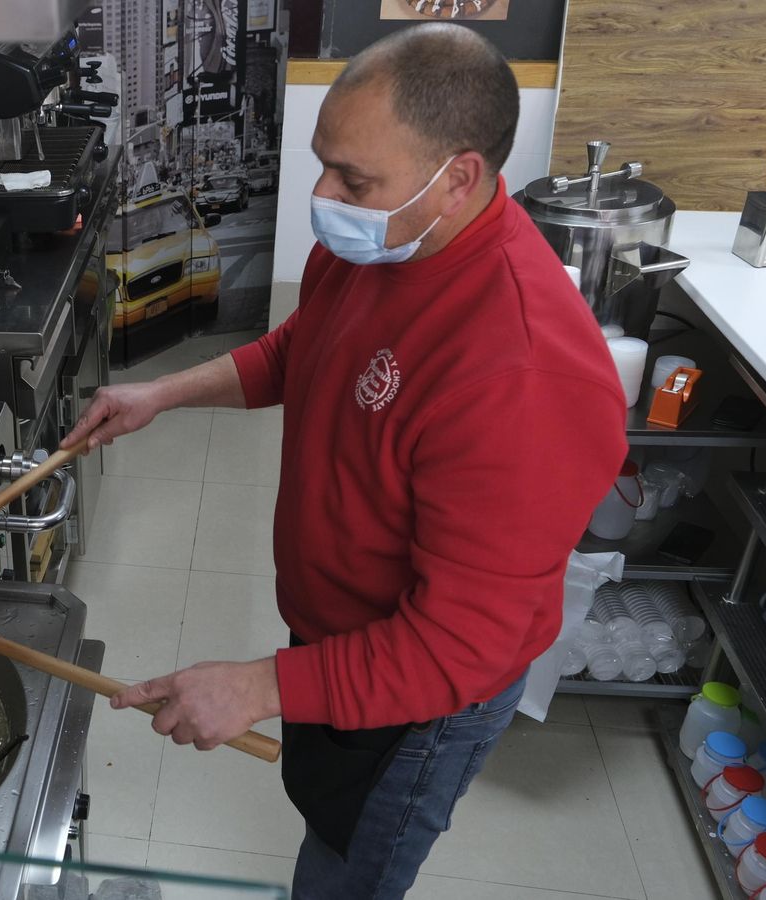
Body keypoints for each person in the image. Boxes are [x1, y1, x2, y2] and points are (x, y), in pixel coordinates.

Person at [61, 23, 629, 900]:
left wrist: (259, 687)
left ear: (459, 178)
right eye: (324, 165)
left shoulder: (521, 372)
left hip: (423, 699)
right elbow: (304, 351)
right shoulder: (387, 238)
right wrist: (162, 394)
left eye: (353, 179)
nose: (324, 196)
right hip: (339, 636)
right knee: (327, 829)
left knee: (346, 874)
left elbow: (458, 645)